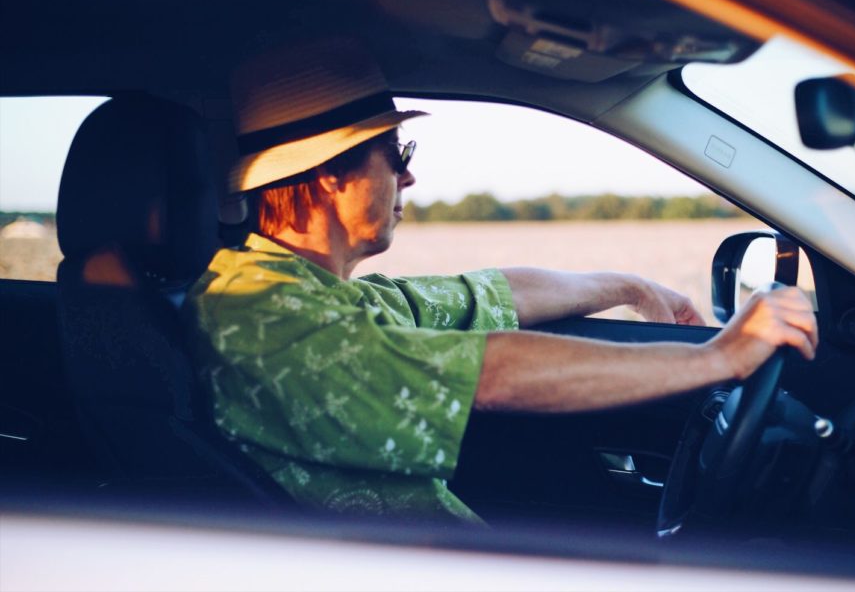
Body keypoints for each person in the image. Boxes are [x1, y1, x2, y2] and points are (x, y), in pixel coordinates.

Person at [187, 38, 818, 524]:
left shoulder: (315, 294)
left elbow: (487, 295)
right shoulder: (257, 311)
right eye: (398, 156)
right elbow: (492, 373)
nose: (408, 180)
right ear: (330, 174)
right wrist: (721, 357)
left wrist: (628, 286)